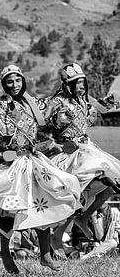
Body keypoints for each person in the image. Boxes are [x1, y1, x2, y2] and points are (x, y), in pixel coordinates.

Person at [0, 64, 82, 274]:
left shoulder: (34, 105)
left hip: (33, 160)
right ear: (4, 84)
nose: (14, 85)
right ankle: (4, 252)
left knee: (45, 203)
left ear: (23, 81)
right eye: (10, 81)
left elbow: (43, 135)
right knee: (9, 209)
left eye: (18, 80)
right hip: (11, 164)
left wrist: (54, 145)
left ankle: (45, 255)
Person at [43, 63, 120, 254]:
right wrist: (57, 121)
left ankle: (83, 218)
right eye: (76, 83)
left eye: (82, 82)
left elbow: (101, 108)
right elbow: (43, 121)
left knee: (110, 186)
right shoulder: (56, 101)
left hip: (87, 149)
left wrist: (110, 101)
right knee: (75, 194)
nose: (81, 86)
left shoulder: (84, 100)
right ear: (67, 84)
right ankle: (57, 236)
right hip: (68, 153)